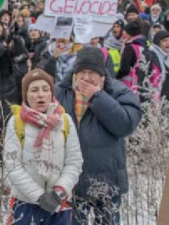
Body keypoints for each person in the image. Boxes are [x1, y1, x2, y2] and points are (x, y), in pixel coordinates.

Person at [55, 47, 141, 225]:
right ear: (74, 73)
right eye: (82, 72)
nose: (86, 78)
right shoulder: (60, 92)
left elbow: (125, 125)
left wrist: (97, 97)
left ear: (102, 75)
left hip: (106, 182)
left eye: (92, 72)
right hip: (72, 183)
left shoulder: (119, 92)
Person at [4, 70, 82, 225]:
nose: (41, 95)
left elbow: (74, 162)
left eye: (45, 90)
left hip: (60, 204)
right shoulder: (16, 123)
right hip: (26, 205)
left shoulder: (65, 121)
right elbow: (13, 166)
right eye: (34, 90)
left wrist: (58, 192)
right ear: (25, 95)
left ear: (52, 94)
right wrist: (39, 196)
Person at [116, 21, 148, 93]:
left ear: (129, 33)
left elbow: (125, 68)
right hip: (141, 81)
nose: (123, 33)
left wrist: (116, 76)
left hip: (128, 83)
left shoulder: (130, 47)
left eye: (125, 31)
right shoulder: (143, 45)